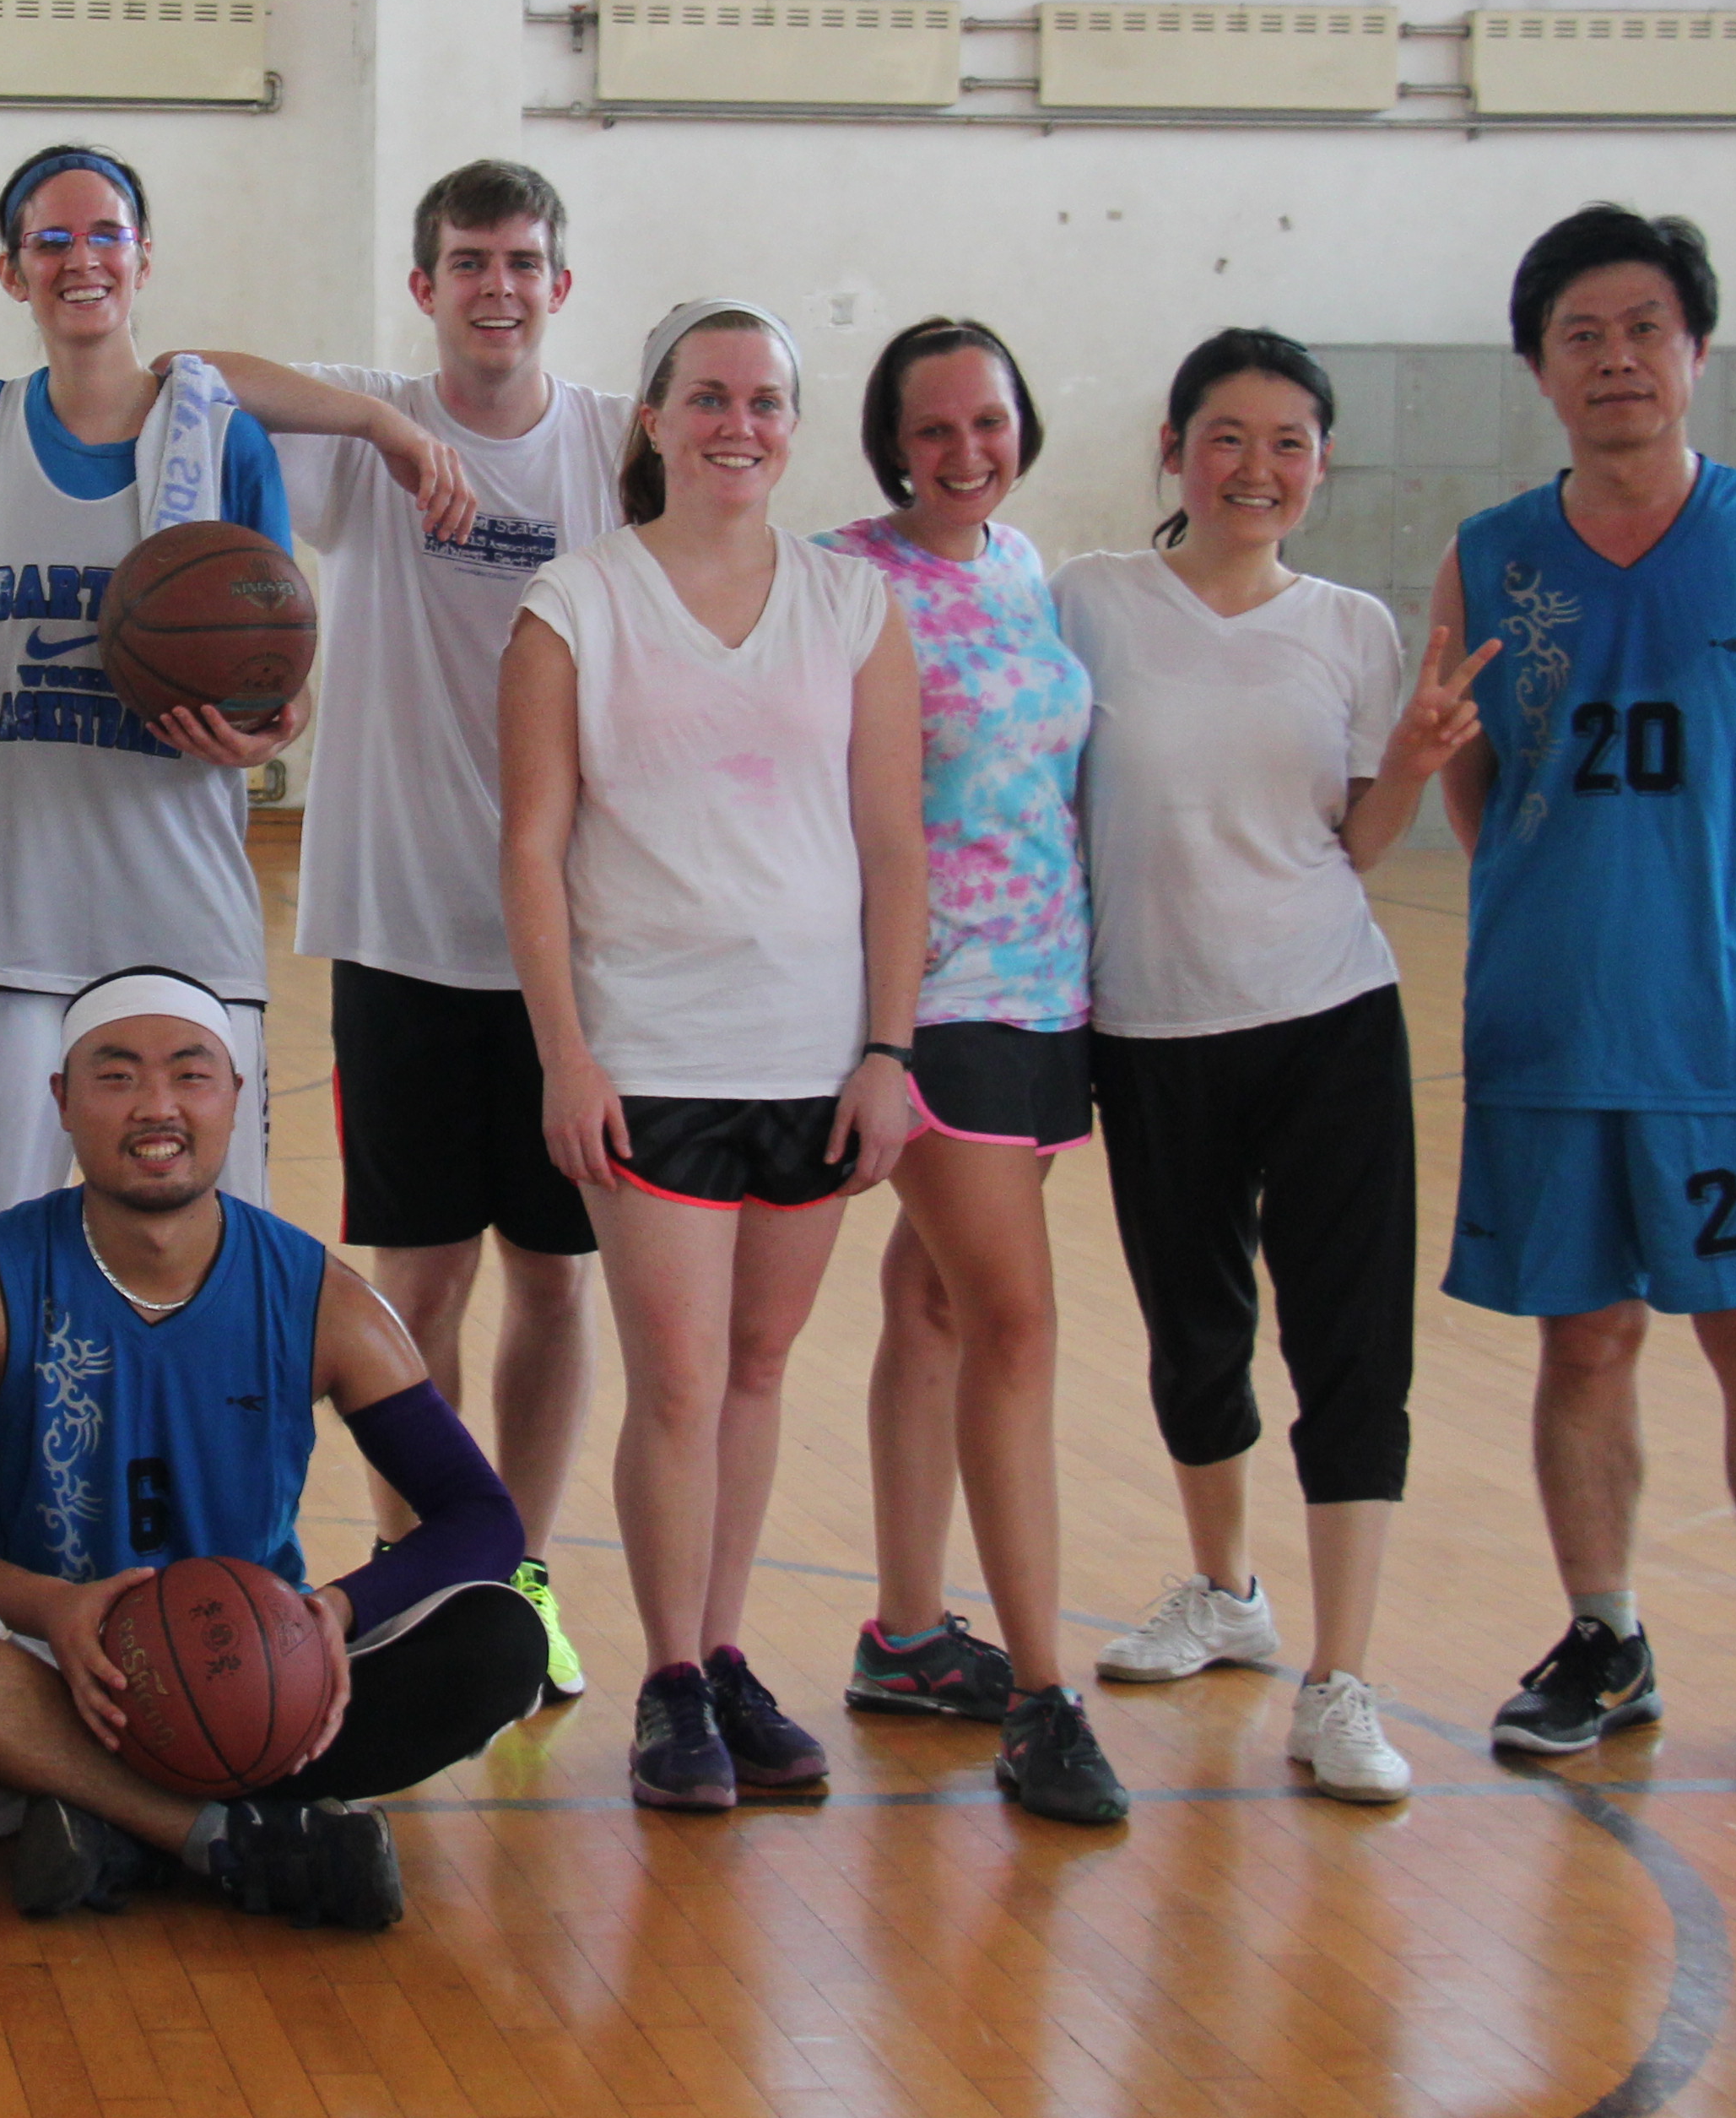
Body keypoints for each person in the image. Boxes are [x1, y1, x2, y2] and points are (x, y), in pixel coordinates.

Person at [1430, 206, 1736, 1788]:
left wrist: (1735, 929)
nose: (1614, 358)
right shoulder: (1488, 555)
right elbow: (1476, 785)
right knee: (1584, 1343)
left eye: (1642, 329)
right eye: (1581, 335)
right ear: (1539, 369)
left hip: (1730, 1029)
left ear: (1694, 352)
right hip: (1551, 1023)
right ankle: (1602, 1635)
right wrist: (1571, 912)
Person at [163, 160, 629, 1712]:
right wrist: (377, 426)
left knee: (553, 1287)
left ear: (559, 285)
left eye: (522, 260)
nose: (498, 285)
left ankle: (522, 1573)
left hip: (576, 953)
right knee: (411, 1291)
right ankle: (419, 1569)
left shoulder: (610, 444)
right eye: (467, 261)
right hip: (401, 932)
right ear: (424, 287)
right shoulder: (367, 430)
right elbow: (186, 376)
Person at [0, 970, 549, 1931]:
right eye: (117, 1076)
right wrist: (52, 1607)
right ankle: (224, 1836)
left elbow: (483, 1518)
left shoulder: (320, 1296)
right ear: (62, 1101)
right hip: (41, 1669)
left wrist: (334, 1612)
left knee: (504, 1638)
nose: (156, 1106)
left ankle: (101, 1815)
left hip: (251, 1676)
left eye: (190, 1075)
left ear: (236, 1096)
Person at [0, 146, 471, 1264]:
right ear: (12, 272)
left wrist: (272, 720)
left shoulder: (218, 437)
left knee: (200, 1269)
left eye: (108, 234)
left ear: (145, 259)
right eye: (51, 240)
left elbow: (277, 665)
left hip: (178, 916)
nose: (82, 259)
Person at [1057, 330, 1499, 1803]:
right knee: (1194, 1336)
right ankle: (1224, 1592)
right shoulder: (1089, 604)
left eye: (1288, 442)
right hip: (1149, 1028)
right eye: (1227, 438)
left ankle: (1340, 1677)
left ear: (1320, 464)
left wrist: (1413, 768)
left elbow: (1351, 846)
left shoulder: (1352, 629)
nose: (1257, 468)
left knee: (1348, 1345)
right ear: (1173, 451)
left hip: (1326, 1020)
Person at [500, 301, 920, 1817]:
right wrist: (565, 1053)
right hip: (650, 1049)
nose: (736, 424)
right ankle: (668, 1678)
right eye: (707, 397)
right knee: (675, 1380)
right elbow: (531, 847)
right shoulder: (575, 602)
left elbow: (892, 843)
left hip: (810, 1050)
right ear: (656, 421)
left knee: (754, 1369)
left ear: (790, 428)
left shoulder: (853, 606)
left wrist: (886, 1048)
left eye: (763, 401)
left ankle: (728, 1654)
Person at [815, 320, 1127, 1826]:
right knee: (1013, 1319)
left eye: (985, 422)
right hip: (933, 1004)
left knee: (934, 1301)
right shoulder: (842, 579)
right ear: (890, 440)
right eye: (931, 429)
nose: (962, 452)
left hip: (1048, 994)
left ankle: (906, 1633)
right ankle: (1046, 1698)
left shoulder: (1023, 569)